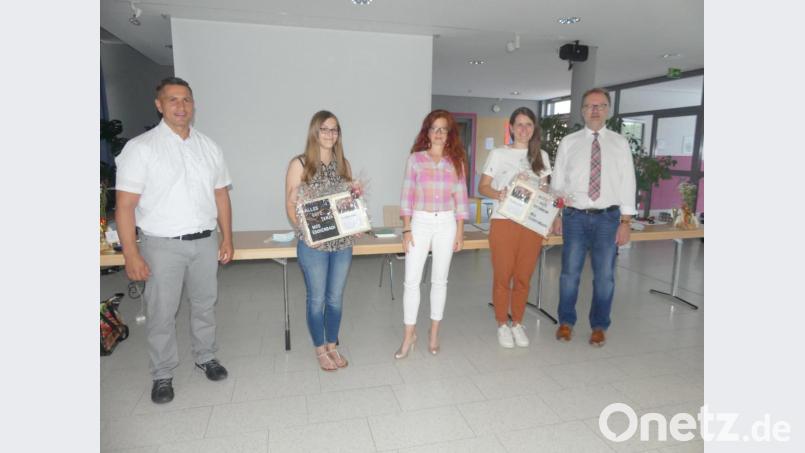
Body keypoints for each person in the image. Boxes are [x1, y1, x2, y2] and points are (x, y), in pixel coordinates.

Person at [115, 77, 233, 404]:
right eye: (173, 100)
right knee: (161, 312)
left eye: (186, 100)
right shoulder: (141, 148)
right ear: (159, 105)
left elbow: (221, 196)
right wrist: (131, 254)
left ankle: (206, 356)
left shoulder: (209, 147)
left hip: (205, 241)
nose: (181, 106)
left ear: (193, 104)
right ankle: (162, 373)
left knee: (205, 304)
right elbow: (124, 206)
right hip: (161, 246)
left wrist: (226, 237)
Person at [551, 87, 636, 347]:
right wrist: (556, 214)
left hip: (608, 219)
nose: (595, 110)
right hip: (574, 217)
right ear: (582, 111)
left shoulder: (620, 143)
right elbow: (558, 183)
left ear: (608, 110)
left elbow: (628, 183)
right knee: (569, 275)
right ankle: (566, 322)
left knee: (605, 277)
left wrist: (625, 222)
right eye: (590, 106)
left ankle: (599, 326)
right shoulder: (569, 142)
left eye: (600, 105)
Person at [395, 110, 469, 359]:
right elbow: (407, 195)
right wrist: (407, 228)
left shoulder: (456, 161)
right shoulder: (415, 159)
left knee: (439, 281)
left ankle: (434, 332)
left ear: (449, 133)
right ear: (427, 132)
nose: (438, 133)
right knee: (411, 281)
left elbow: (461, 197)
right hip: (420, 222)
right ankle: (409, 335)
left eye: (443, 129)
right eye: (434, 128)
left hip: (446, 223)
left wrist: (460, 231)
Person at [285, 110, 355, 371]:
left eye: (334, 129)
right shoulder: (300, 164)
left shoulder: (344, 164)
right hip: (313, 245)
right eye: (324, 129)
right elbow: (290, 206)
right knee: (316, 299)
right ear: (315, 132)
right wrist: (307, 234)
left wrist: (355, 222)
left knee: (335, 298)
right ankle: (320, 349)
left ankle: (332, 345)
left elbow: (348, 203)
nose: (330, 134)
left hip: (342, 245)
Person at [478, 107, 551, 348]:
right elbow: (483, 187)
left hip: (530, 225)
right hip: (504, 221)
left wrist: (548, 219)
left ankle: (517, 322)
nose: (523, 129)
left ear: (534, 128)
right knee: (503, 276)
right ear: (510, 127)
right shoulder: (499, 154)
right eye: (519, 124)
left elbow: (545, 192)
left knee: (523, 277)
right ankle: (502, 323)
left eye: (528, 124)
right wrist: (498, 194)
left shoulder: (541, 156)